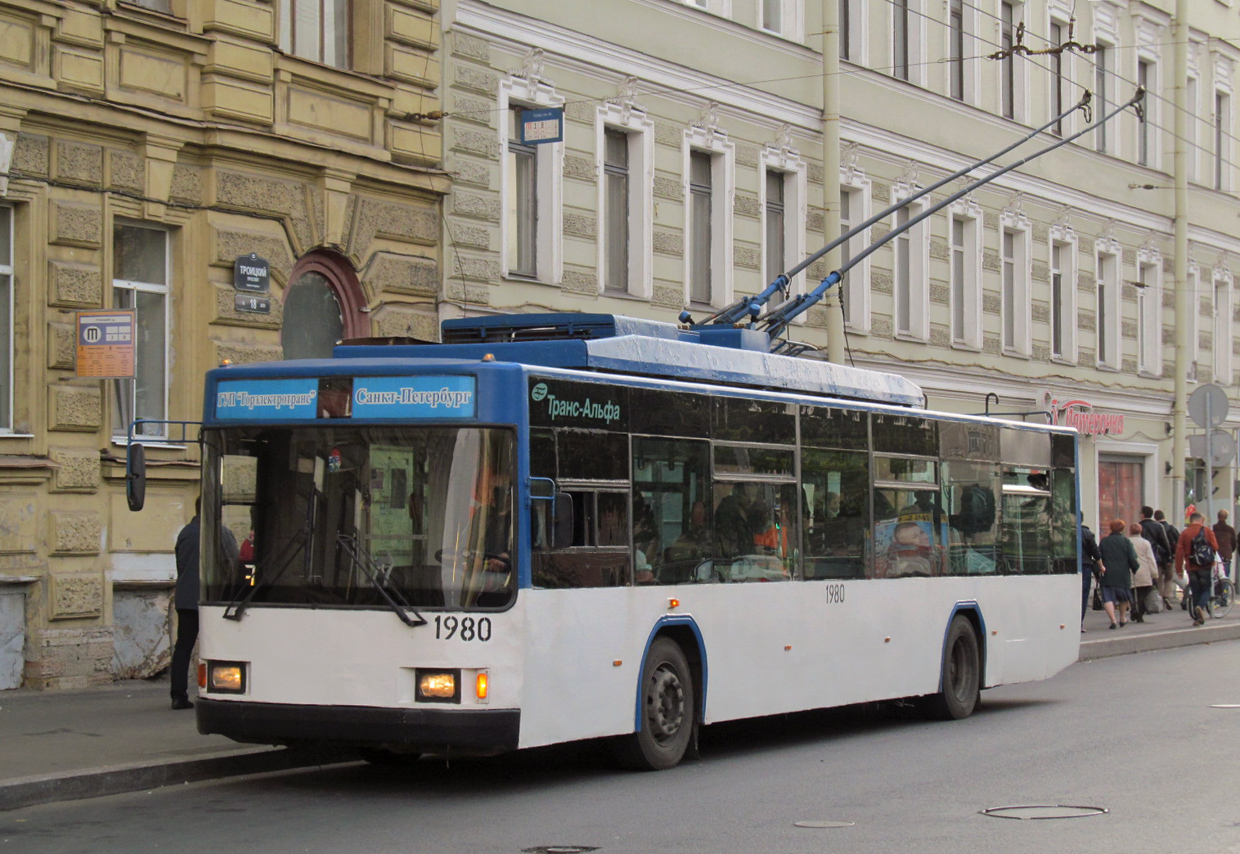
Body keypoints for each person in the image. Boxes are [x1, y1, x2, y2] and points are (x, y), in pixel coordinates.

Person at [172, 498, 236, 711]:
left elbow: (180, 565)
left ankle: (177, 695)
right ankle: (222, 689)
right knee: (220, 647)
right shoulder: (222, 534)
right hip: (212, 600)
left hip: (186, 598)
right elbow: (232, 567)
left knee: (183, 647)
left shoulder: (185, 533)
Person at [1174, 511, 1219, 627]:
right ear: (1199, 520)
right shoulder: (1207, 531)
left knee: (1195, 590)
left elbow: (1179, 552)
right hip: (1205, 565)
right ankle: (1201, 607)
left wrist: (1179, 569)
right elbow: (1215, 546)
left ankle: (1197, 616)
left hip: (1191, 566)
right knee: (1206, 589)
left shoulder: (1184, 533)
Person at [1098, 519, 1139, 629]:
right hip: (1122, 573)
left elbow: (1098, 556)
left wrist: (1099, 569)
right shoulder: (1126, 541)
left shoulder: (1104, 541)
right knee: (1123, 597)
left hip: (1107, 573)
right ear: (1122, 529)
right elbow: (1132, 557)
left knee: (1107, 597)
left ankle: (1113, 620)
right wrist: (1135, 568)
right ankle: (1122, 618)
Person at [1127, 523, 1159, 623]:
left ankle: (1133, 608)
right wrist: (1154, 573)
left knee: (1131, 592)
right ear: (1140, 531)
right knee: (1142, 594)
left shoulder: (1127, 541)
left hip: (1130, 570)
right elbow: (1150, 559)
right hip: (1143, 571)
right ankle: (1140, 613)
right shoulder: (1145, 543)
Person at [1154, 509, 1180, 610]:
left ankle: (1160, 597)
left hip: (1158, 557)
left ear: (1155, 518)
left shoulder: (1155, 529)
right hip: (1170, 557)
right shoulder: (1171, 528)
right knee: (1169, 578)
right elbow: (1178, 542)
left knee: (1159, 578)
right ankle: (1167, 596)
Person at [1080, 520, 1102, 631]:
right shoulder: (1087, 533)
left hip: (1069, 565)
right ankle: (1080, 622)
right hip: (1085, 566)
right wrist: (1101, 566)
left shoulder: (1067, 531)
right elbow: (1095, 551)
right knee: (1083, 595)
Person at [1213, 509, 1236, 585]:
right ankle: (1224, 595)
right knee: (1225, 577)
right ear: (1226, 517)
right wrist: (1229, 551)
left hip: (1215, 556)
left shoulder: (1213, 528)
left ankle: (1215, 593)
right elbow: (1234, 544)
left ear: (1217, 517)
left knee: (1214, 577)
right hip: (1226, 556)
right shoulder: (1230, 529)